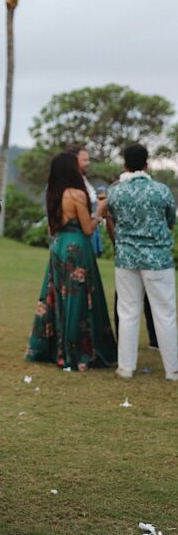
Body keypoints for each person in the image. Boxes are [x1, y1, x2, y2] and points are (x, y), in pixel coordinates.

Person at [26, 152, 117, 370]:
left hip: (58, 247)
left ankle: (55, 347)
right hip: (77, 248)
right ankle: (76, 352)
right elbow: (88, 229)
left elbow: (51, 228)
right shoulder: (77, 194)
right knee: (78, 299)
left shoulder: (54, 194)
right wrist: (100, 212)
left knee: (58, 295)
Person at [106, 143, 177, 381]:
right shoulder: (161, 190)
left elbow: (113, 219)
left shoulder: (116, 192)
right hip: (158, 259)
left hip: (126, 258)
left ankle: (126, 368)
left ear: (125, 165)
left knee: (127, 312)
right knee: (165, 313)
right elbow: (170, 220)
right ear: (147, 164)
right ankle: (172, 369)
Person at [72, 147, 104, 256]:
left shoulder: (84, 180)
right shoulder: (72, 184)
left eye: (88, 160)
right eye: (84, 160)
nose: (88, 163)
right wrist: (99, 211)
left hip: (90, 229)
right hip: (79, 236)